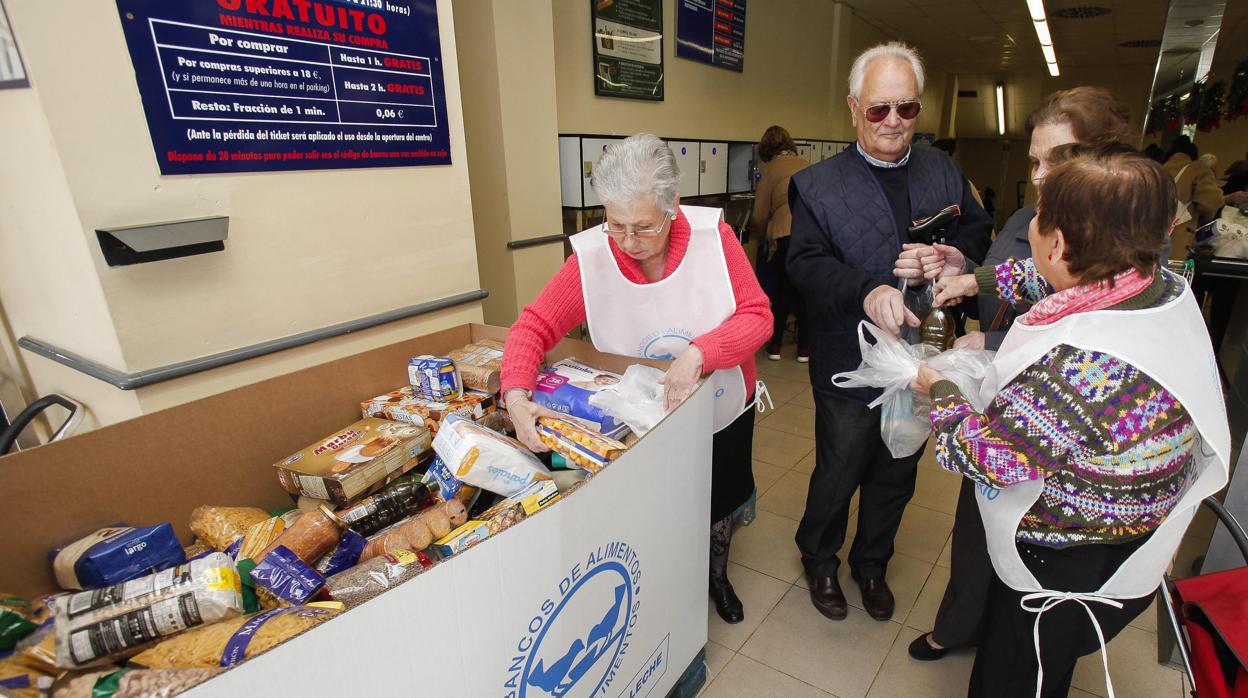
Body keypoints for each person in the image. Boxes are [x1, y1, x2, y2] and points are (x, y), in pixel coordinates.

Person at [917, 144, 1229, 697]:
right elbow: (1062, 279)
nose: (1032, 225)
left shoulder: (1080, 371)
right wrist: (978, 282)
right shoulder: (1160, 286)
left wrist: (940, 388)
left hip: (1067, 556)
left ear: (1057, 242)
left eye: (1039, 217)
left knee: (1017, 675)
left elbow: (990, 456)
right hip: (1139, 527)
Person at [499, 133, 772, 625]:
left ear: (673, 206)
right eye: (615, 225)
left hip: (721, 403)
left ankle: (715, 573)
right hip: (638, 418)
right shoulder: (594, 257)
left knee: (719, 495)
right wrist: (516, 397)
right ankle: (662, 579)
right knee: (652, 505)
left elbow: (758, 316)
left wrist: (700, 352)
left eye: (643, 228)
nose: (627, 242)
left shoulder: (715, 240)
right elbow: (532, 327)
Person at [786, 42, 992, 623]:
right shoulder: (818, 185)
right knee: (842, 464)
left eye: (906, 109)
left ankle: (871, 564)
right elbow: (803, 262)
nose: (894, 122)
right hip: (848, 355)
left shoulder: (943, 170)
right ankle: (820, 559)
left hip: (923, 351)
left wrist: (956, 256)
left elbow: (979, 234)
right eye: (879, 110)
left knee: (898, 465)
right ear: (854, 108)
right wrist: (865, 290)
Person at [750, 125, 811, 362]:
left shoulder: (769, 170)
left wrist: (761, 231)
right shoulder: (806, 164)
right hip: (810, 236)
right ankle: (804, 349)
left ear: (766, 148)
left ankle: (775, 346)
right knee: (805, 293)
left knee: (782, 290)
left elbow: (759, 213)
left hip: (784, 235)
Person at [1163, 135, 1224, 258]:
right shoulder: (1198, 169)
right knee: (1168, 275)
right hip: (1175, 244)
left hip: (1147, 241)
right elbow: (1209, 204)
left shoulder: (1157, 168)